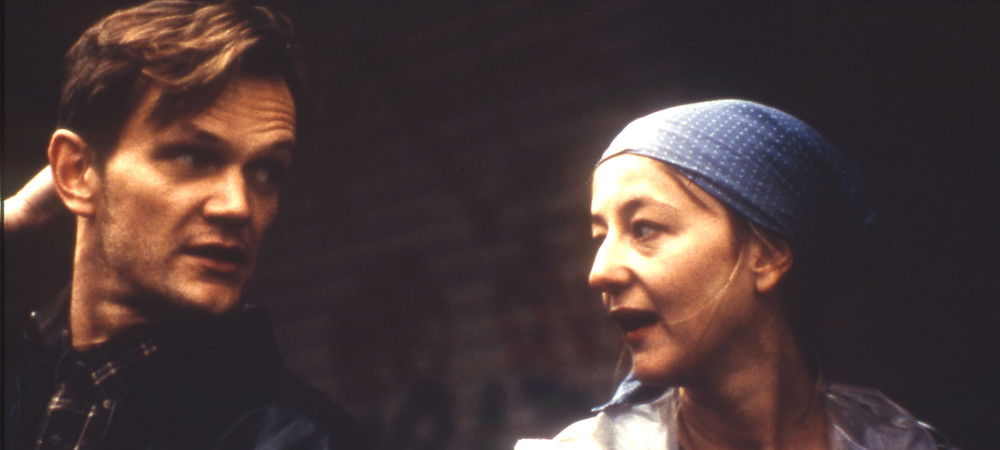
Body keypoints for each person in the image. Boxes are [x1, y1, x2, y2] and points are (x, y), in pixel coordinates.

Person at [3, 1, 369, 448]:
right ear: (76, 172)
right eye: (194, 157)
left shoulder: (295, 440)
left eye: (266, 171)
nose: (239, 206)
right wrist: (12, 219)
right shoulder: (23, 364)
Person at [515, 100, 953, 449]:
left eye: (644, 229)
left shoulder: (899, 443)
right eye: (600, 236)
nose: (599, 273)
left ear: (767, 255)